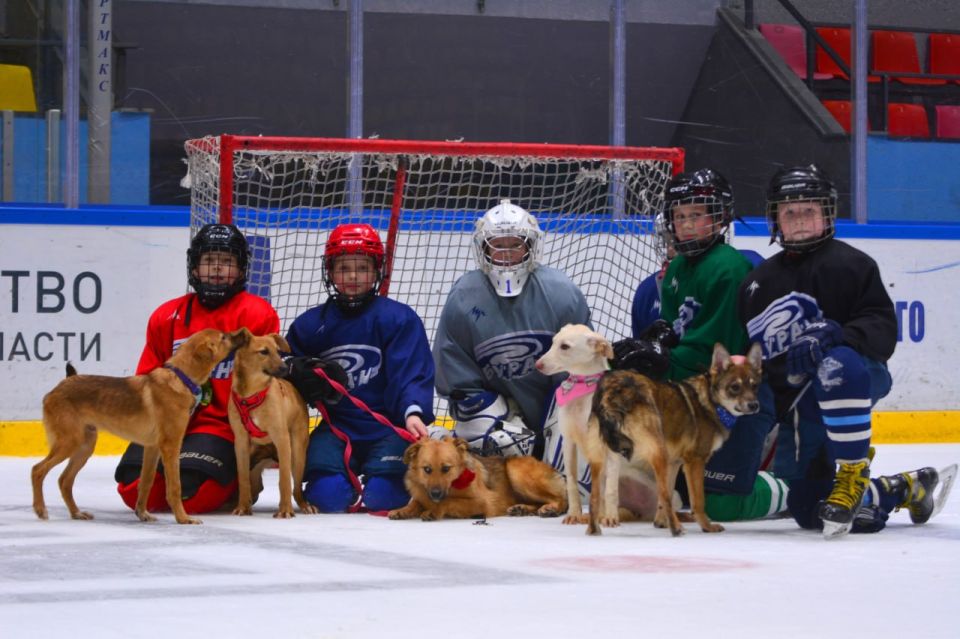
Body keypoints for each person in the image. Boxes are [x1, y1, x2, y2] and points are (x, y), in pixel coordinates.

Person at [739, 164, 944, 537]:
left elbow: (881, 330)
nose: (799, 219)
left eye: (809, 210)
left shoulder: (853, 264)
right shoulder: (757, 283)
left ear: (826, 214)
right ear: (775, 219)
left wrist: (836, 335)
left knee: (834, 364)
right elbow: (753, 358)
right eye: (789, 212)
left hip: (855, 374)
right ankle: (900, 487)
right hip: (798, 405)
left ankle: (852, 469)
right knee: (808, 511)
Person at [614, 168, 786, 522]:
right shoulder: (677, 268)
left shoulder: (729, 268)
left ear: (720, 217)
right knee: (672, 489)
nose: (687, 225)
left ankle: (804, 486)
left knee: (719, 503)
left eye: (696, 215)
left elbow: (714, 353)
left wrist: (662, 360)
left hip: (740, 398)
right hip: (695, 400)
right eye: (679, 217)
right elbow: (680, 335)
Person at [114, 223, 281, 513]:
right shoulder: (166, 316)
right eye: (209, 261)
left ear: (241, 269)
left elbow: (264, 385)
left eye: (227, 261)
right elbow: (147, 380)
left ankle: (246, 473)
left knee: (195, 493)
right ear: (194, 267)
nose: (217, 269)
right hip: (168, 423)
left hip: (220, 425)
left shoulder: (257, 314)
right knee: (133, 488)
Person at [433, 199, 591, 476]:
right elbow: (458, 381)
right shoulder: (463, 299)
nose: (506, 254)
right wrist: (506, 423)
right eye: (497, 245)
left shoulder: (562, 294)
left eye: (515, 244)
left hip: (555, 406)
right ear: (483, 249)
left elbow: (579, 374)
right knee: (488, 434)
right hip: (502, 414)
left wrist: (549, 428)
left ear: (530, 246)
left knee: (571, 480)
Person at [284, 223, 435, 513]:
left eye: (363, 268)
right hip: (338, 428)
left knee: (384, 497)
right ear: (330, 272)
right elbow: (283, 364)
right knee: (327, 497)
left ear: (377, 270)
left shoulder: (398, 319)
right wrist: (296, 373)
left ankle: (379, 474)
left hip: (388, 427)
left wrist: (413, 413)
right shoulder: (311, 325)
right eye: (343, 268)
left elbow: (412, 373)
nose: (353, 276)